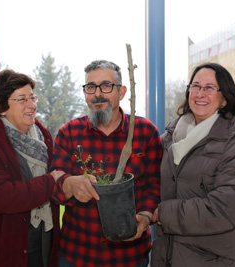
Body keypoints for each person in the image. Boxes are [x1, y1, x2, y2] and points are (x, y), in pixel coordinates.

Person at [50, 60, 162, 267]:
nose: (97, 94)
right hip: (77, 255)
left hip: (130, 257)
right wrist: (69, 184)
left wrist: (145, 217)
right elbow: (53, 183)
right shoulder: (69, 133)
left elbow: (155, 186)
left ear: (121, 92)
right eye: (90, 87)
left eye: (106, 86)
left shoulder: (145, 132)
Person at [150, 63, 235, 267]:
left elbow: (225, 208)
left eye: (209, 88)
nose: (200, 93)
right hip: (168, 257)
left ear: (225, 98)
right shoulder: (172, 137)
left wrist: (163, 213)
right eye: (196, 86)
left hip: (214, 260)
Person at [0, 69, 64, 267]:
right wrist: (51, 182)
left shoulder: (42, 135)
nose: (32, 105)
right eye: (22, 99)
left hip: (43, 244)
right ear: (1, 107)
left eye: (32, 97)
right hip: (2, 249)